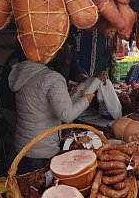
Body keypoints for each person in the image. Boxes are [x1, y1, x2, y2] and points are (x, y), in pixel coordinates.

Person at [8, 42, 95, 175]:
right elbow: (66, 115)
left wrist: (69, 95)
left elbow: (42, 103)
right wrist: (86, 100)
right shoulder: (52, 78)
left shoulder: (23, 71)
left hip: (23, 146)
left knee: (24, 187)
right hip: (41, 149)